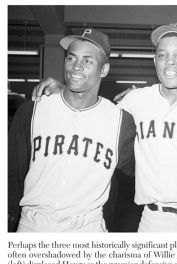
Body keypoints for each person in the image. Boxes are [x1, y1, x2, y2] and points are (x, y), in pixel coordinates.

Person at [31, 23, 177, 232]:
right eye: (162, 55)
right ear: (155, 60)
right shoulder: (136, 100)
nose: (170, 62)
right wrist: (67, 90)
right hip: (152, 219)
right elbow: (95, 114)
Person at [8, 28, 136, 232]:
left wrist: (146, 104)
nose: (76, 67)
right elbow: (11, 174)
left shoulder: (121, 120)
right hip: (33, 226)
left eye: (88, 61)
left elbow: (145, 170)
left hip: (87, 228)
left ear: (103, 70)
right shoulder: (32, 110)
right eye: (71, 58)